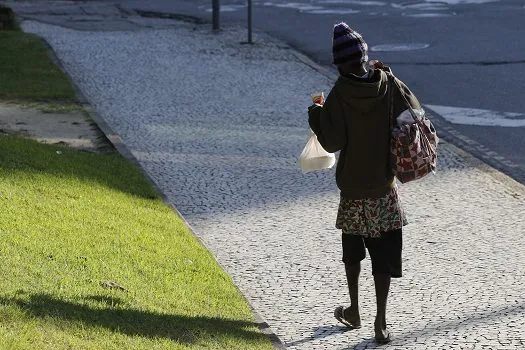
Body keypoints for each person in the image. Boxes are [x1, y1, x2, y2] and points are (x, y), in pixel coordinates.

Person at [307, 22, 422, 344]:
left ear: (341, 63)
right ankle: (381, 322)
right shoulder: (387, 83)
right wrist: (393, 75)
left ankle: (354, 309)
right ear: (364, 57)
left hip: (354, 189)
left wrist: (315, 114)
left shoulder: (340, 93)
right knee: (383, 255)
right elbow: (414, 111)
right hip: (384, 186)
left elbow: (331, 142)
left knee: (353, 252)